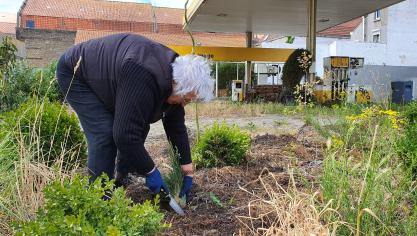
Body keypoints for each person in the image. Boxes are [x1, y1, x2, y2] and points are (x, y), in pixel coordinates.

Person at [56, 33, 213, 199]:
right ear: (177, 85)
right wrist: (150, 171)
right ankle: (98, 199)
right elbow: (124, 135)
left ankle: (121, 177)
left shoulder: (176, 77)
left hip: (114, 77)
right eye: (186, 99)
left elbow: (176, 126)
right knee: (104, 134)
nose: (184, 105)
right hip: (77, 73)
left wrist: (186, 166)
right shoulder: (144, 73)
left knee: (137, 123)